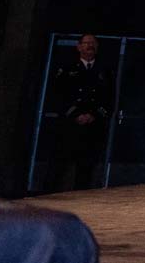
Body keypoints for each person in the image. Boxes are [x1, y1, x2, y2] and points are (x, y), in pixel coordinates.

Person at [50, 34, 113, 190]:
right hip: (70, 123)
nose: (90, 46)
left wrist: (94, 115)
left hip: (92, 125)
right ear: (79, 47)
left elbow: (109, 98)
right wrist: (74, 114)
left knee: (86, 166)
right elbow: (58, 95)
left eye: (93, 43)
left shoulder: (104, 70)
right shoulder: (67, 68)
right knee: (59, 165)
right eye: (86, 43)